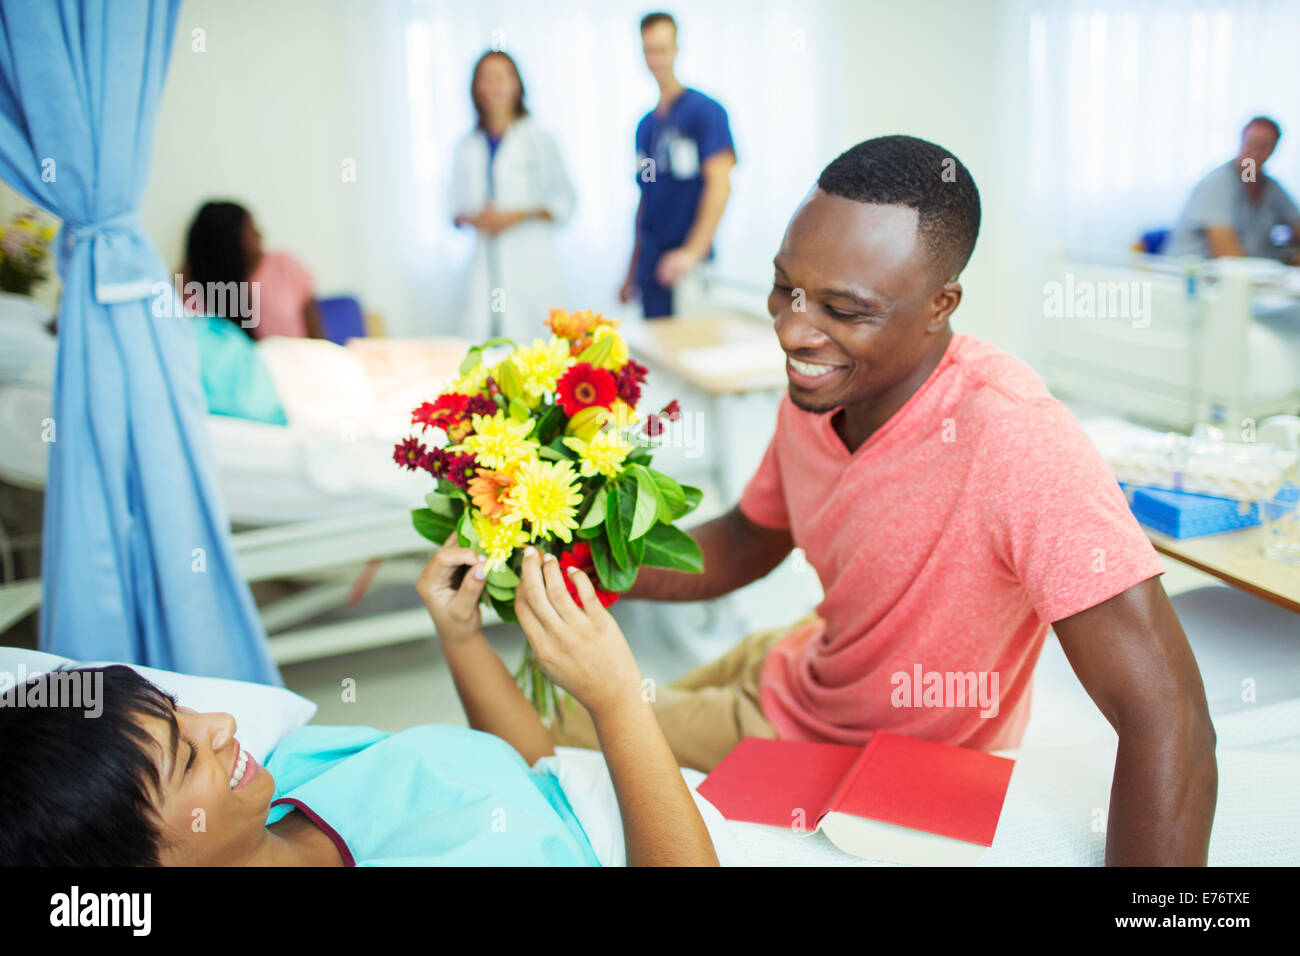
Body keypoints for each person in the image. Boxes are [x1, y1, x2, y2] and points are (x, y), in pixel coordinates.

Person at [556, 135, 1218, 866]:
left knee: (545, 735)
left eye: (844, 309)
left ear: (941, 305)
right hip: (795, 661)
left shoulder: (1015, 439)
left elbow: (1169, 718)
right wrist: (574, 557)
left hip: (832, 749)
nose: (792, 330)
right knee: (590, 707)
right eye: (787, 287)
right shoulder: (820, 386)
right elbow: (748, 540)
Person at [0, 547, 718, 866]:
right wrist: (619, 700)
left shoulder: (287, 785)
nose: (218, 725)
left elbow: (535, 782)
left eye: (179, 708)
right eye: (186, 756)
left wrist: (460, 636)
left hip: (652, 797)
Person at [450, 50, 575, 342]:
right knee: (483, 355)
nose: (495, 85)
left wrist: (516, 215)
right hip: (484, 267)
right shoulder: (466, 146)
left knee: (536, 355)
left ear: (517, 84)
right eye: (486, 77)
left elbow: (565, 203)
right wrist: (476, 218)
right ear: (475, 87)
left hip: (531, 262)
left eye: (503, 76)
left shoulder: (538, 139)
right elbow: (453, 208)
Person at [619, 12, 736, 318]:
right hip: (652, 265)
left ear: (676, 49)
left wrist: (692, 252)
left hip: (686, 268)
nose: (655, 59)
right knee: (651, 358)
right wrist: (631, 271)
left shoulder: (705, 113)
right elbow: (646, 198)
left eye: (661, 49)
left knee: (688, 356)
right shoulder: (645, 128)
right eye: (648, 50)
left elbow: (720, 183)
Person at [181, 200, 324, 339]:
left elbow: (318, 341)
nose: (259, 234)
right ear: (228, 243)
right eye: (250, 229)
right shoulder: (192, 286)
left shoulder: (284, 266)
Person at [1166, 116, 1300, 263]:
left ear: (1273, 149)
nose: (1255, 153)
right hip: (1197, 274)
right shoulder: (1218, 183)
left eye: (1263, 146)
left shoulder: (1271, 188)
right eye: (1252, 144)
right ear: (1242, 142)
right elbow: (1230, 257)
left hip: (1248, 273)